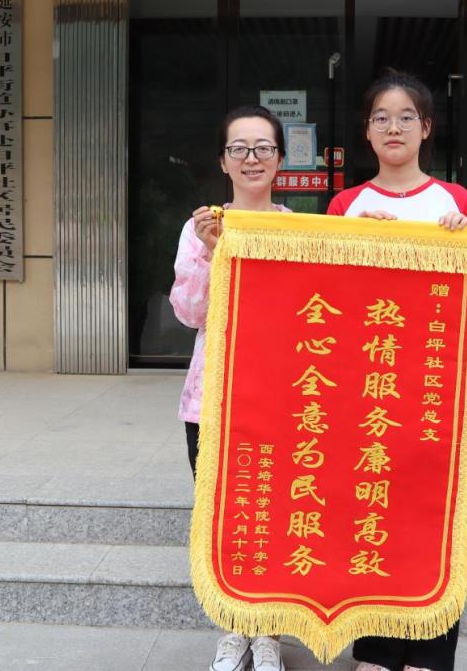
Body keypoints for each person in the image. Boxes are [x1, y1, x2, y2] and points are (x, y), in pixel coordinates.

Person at [327, 69, 467, 671]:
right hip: (367, 393)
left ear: (426, 128)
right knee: (370, 515)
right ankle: (374, 650)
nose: (392, 127)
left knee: (434, 521)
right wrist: (349, 243)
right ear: (366, 132)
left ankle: (431, 653)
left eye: (405, 117)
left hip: (434, 392)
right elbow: (321, 304)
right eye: (381, 117)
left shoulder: (455, 201)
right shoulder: (346, 206)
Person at [170, 105, 290, 671]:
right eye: (239, 148)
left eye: (263, 147)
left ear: (281, 160)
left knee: (274, 515)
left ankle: (268, 633)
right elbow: (190, 312)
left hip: (282, 400)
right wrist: (212, 251)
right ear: (223, 161)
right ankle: (233, 628)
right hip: (212, 401)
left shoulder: (298, 231)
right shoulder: (200, 228)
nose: (251, 158)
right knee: (222, 519)